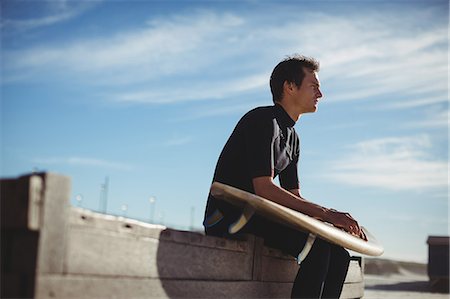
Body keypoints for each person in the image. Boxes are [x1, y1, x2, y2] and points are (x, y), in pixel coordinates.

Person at [203, 55, 365, 299]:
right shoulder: (263, 120)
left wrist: (331, 224)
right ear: (289, 86)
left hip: (257, 215)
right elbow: (264, 188)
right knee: (317, 250)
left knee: (338, 253)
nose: (320, 94)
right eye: (314, 86)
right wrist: (326, 213)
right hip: (227, 214)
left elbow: (292, 196)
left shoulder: (293, 138)